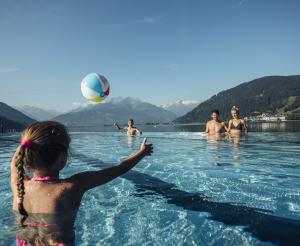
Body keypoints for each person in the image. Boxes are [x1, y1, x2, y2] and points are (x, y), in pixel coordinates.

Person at [10, 121, 153, 245]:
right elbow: (121, 168)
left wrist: (28, 141)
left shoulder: (19, 185)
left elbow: (15, 164)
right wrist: (142, 152)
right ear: (62, 158)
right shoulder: (72, 187)